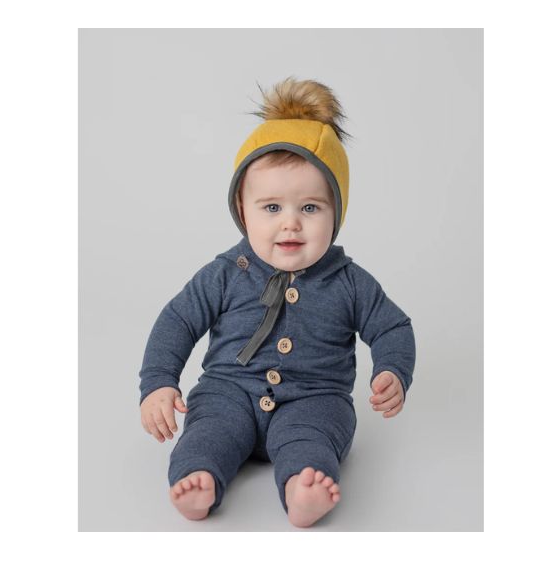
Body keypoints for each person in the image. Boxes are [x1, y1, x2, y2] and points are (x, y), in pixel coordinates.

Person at [139, 77, 416, 528]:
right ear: (242, 210)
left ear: (337, 212)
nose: (291, 224)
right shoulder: (225, 273)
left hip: (314, 399)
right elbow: (178, 321)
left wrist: (392, 370)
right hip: (229, 391)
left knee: (311, 439)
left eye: (310, 208)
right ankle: (198, 477)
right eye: (271, 208)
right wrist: (158, 383)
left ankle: (303, 488)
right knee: (208, 431)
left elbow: (392, 327)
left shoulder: (349, 281)